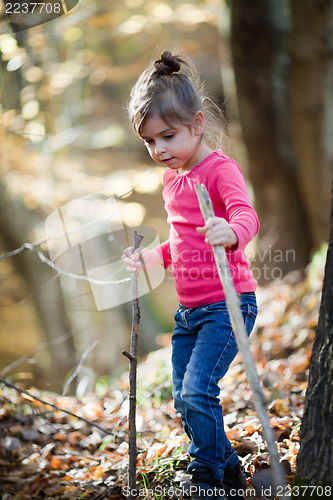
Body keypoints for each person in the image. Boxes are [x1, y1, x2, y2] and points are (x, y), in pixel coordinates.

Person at [122, 51, 259, 500]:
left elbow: (245, 214)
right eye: (149, 142)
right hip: (189, 311)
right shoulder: (173, 180)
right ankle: (229, 471)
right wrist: (155, 257)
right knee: (183, 394)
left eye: (167, 136)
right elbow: (182, 241)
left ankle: (206, 475)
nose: (159, 150)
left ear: (197, 125)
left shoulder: (220, 169)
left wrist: (231, 231)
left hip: (228, 304)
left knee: (200, 388)